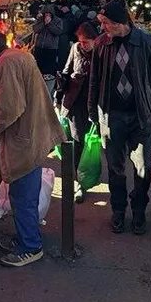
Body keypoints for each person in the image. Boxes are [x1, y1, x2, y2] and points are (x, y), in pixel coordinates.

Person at [0, 29, 62, 267]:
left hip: (25, 136)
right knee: (24, 193)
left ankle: (31, 247)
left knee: (23, 194)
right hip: (31, 131)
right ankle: (26, 238)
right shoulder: (13, 56)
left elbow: (8, 110)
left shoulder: (7, 62)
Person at [88, 0, 151, 235]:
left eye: (106, 23)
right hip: (111, 117)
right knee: (115, 167)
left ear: (121, 22)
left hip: (141, 116)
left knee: (143, 167)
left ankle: (139, 211)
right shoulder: (101, 44)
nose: (102, 28)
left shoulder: (147, 42)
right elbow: (95, 80)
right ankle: (119, 211)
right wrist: (93, 110)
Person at [58, 21, 98, 201]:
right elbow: (67, 69)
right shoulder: (75, 48)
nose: (83, 45)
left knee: (91, 142)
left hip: (94, 103)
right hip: (75, 102)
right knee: (77, 141)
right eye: (81, 41)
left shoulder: (101, 51)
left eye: (86, 42)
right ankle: (78, 182)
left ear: (94, 40)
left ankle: (88, 176)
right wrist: (61, 88)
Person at [31, 5, 63, 76]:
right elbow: (35, 29)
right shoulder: (40, 20)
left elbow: (58, 32)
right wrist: (44, 23)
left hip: (51, 48)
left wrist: (49, 24)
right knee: (38, 67)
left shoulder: (58, 21)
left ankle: (49, 82)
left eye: (49, 14)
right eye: (46, 13)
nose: (47, 15)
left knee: (49, 68)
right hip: (39, 47)